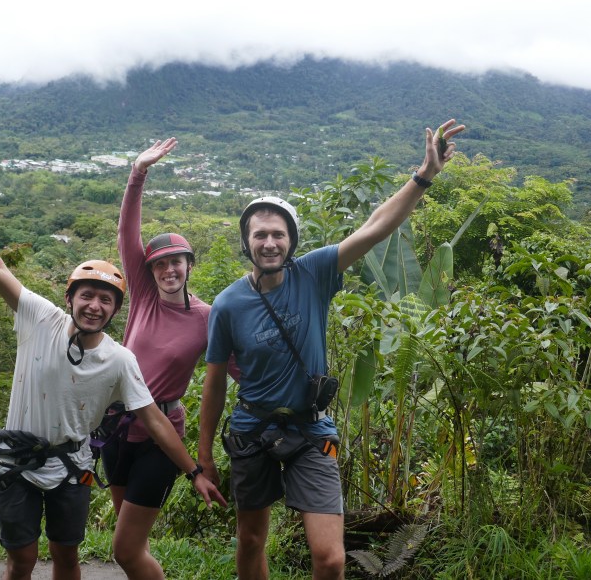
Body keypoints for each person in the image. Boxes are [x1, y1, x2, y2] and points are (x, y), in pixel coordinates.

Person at [0, 173, 226, 580]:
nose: (95, 306)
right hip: (18, 461)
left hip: (71, 464)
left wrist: (194, 470)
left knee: (68, 556)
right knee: (22, 560)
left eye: (105, 300)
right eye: (87, 296)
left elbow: (155, 418)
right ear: (69, 298)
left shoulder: (120, 360)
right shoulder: (41, 319)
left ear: (116, 309)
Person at [197, 120, 465, 580]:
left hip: (311, 429)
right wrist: (204, 458)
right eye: (259, 235)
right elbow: (215, 383)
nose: (269, 243)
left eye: (278, 234)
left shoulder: (314, 272)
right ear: (246, 242)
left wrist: (424, 176)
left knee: (331, 558)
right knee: (251, 540)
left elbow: (375, 228)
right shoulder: (227, 305)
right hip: (252, 430)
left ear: (291, 240)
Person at [102, 137, 213, 579]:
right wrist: (138, 172)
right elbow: (127, 235)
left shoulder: (207, 317)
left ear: (189, 265)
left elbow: (235, 370)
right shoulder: (144, 296)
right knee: (132, 544)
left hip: (162, 437)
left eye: (177, 263)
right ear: (149, 272)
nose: (169, 270)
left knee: (125, 549)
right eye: (160, 265)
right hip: (116, 428)